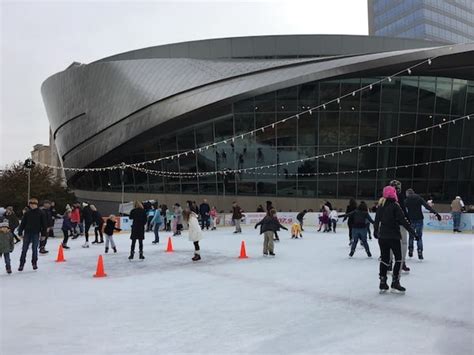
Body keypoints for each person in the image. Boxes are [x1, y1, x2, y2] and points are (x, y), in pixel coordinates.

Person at [374, 186, 417, 293]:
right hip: (393, 237)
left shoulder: (381, 206)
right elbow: (403, 221)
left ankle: (383, 282)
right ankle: (395, 282)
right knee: (398, 259)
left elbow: (376, 221)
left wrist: (375, 232)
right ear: (394, 194)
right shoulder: (395, 206)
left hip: (383, 237)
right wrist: (413, 233)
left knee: (384, 259)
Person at [405, 188, 441, 260]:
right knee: (419, 236)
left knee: (411, 236)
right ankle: (420, 251)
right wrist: (436, 213)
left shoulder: (407, 200)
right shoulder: (419, 198)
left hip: (411, 220)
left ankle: (410, 250)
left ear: (408, 193)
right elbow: (427, 206)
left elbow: (402, 209)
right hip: (419, 219)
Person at [17, 198, 47, 271]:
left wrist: (43, 234)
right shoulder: (27, 213)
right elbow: (23, 223)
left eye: (34, 204)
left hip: (36, 233)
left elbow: (44, 225)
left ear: (36, 205)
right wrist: (20, 232)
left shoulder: (41, 213)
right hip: (27, 233)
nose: (32, 206)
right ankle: (21, 264)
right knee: (24, 249)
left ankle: (34, 263)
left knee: (34, 249)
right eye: (31, 204)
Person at [389, 180, 411, 273]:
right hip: (400, 224)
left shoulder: (385, 197)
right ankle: (402, 262)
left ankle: (389, 263)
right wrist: (408, 221)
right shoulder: (400, 196)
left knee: (389, 243)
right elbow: (403, 211)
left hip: (389, 224)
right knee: (403, 243)